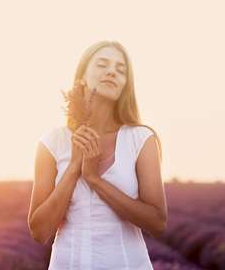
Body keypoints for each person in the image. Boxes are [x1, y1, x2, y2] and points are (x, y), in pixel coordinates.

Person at [28, 40, 168, 270]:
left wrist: (94, 179)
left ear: (125, 85)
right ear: (81, 76)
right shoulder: (52, 143)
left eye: (121, 70)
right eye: (102, 64)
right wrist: (74, 167)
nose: (112, 71)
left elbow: (157, 222)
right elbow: (40, 231)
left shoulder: (140, 139)